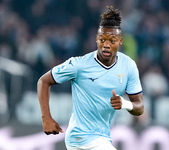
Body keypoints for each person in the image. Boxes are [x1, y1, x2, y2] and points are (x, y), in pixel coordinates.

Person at [37, 6, 144, 150]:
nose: (106, 45)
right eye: (102, 40)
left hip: (102, 138)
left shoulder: (128, 66)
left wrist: (125, 104)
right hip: (80, 138)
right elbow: (43, 81)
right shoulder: (79, 64)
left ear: (120, 41)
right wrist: (46, 118)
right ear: (96, 39)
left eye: (112, 41)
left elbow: (139, 107)